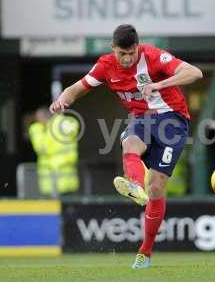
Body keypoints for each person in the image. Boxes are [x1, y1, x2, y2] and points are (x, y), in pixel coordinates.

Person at [49, 24, 203, 269]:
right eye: (123, 53)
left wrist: (159, 85)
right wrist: (61, 101)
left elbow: (195, 73)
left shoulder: (153, 56)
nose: (128, 58)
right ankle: (132, 183)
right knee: (130, 143)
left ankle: (145, 251)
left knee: (155, 187)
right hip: (142, 119)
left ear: (138, 46)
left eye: (132, 52)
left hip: (172, 119)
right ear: (113, 49)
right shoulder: (105, 65)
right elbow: (76, 89)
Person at [28, 106, 80, 196]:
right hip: (69, 178)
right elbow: (74, 126)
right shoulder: (63, 124)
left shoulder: (49, 129)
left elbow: (42, 148)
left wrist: (36, 130)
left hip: (54, 179)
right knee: (70, 207)